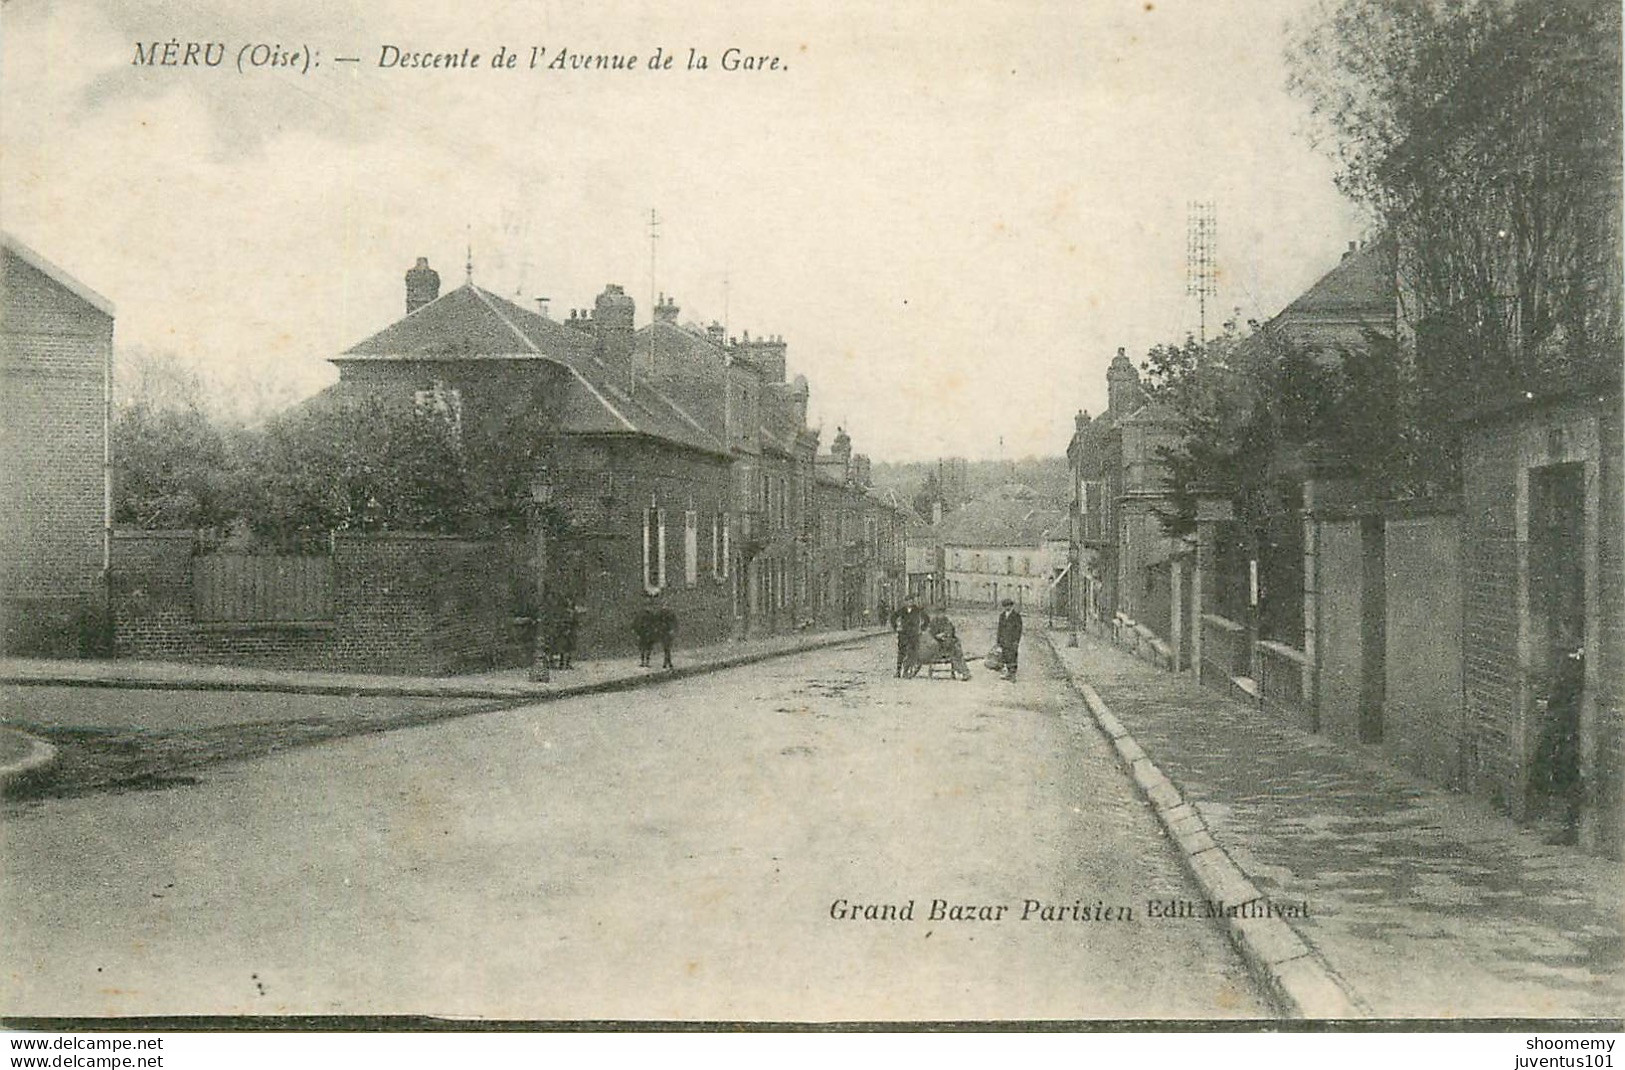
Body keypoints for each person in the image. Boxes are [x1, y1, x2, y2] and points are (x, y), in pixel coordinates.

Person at [928, 606, 972, 681]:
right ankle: (964, 672)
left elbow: (951, 631)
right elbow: (930, 633)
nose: (941, 614)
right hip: (938, 645)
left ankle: (965, 672)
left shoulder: (946, 621)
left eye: (942, 613)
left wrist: (946, 635)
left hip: (947, 643)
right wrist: (937, 636)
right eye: (939, 613)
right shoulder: (933, 622)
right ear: (936, 613)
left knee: (957, 653)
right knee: (955, 653)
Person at [895, 596, 927, 677]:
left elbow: (926, 619)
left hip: (914, 634)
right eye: (908, 601)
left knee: (912, 652)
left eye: (911, 601)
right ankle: (898, 671)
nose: (910, 603)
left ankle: (908, 671)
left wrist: (922, 628)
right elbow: (893, 617)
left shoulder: (917, 610)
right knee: (901, 652)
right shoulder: (902, 610)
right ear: (905, 602)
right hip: (903, 634)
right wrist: (896, 627)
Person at [996, 598, 1024, 681]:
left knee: (1012, 657)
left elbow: (1019, 629)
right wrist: (998, 640)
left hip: (1012, 640)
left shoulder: (1016, 616)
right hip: (1004, 640)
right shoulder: (1002, 616)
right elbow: (999, 629)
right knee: (1004, 656)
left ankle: (1012, 675)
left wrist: (1016, 641)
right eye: (1005, 606)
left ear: (1011, 606)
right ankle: (1006, 673)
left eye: (1008, 606)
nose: (1007, 607)